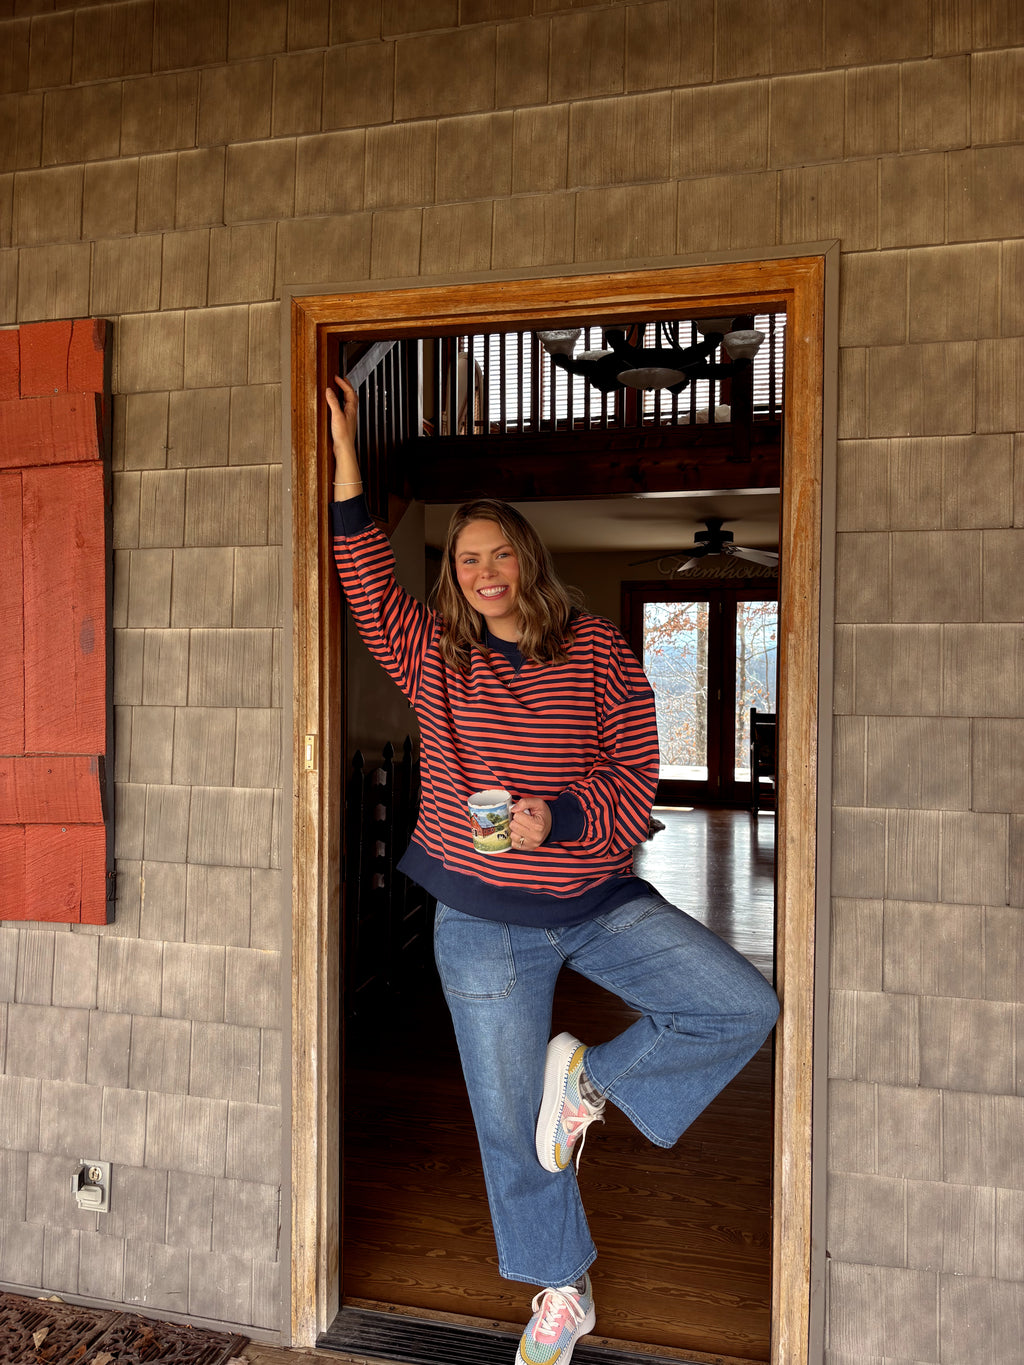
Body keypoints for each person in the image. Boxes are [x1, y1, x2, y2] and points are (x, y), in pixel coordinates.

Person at [326, 375, 780, 1365]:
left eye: (500, 553)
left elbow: (636, 772)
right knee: (505, 1126)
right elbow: (362, 571)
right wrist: (346, 460)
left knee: (740, 1006)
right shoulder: (431, 655)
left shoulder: (600, 653)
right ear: (455, 573)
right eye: (469, 557)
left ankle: (591, 1085)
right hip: (480, 914)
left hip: (591, 897)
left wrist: (557, 816)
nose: (486, 569)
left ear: (527, 559)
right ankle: (559, 1292)